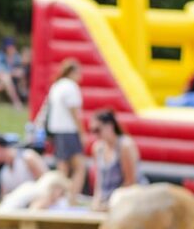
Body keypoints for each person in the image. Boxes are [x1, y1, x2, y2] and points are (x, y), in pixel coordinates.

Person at [39, 58, 86, 204]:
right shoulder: (71, 87)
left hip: (57, 132)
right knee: (80, 168)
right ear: (72, 72)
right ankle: (72, 198)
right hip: (69, 131)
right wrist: (82, 132)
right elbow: (74, 114)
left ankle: (56, 199)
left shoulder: (56, 86)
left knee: (62, 169)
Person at [90, 109, 142, 211]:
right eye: (92, 131)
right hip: (107, 199)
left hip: (126, 197)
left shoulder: (125, 146)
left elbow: (130, 182)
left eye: (97, 130)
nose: (95, 135)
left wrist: (111, 203)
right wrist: (96, 200)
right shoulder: (97, 148)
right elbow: (99, 180)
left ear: (110, 126)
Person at [0, 39, 24, 109]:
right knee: (6, 79)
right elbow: (0, 73)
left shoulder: (16, 57)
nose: (10, 49)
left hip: (5, 81)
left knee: (8, 79)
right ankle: (17, 102)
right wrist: (13, 73)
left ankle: (22, 96)